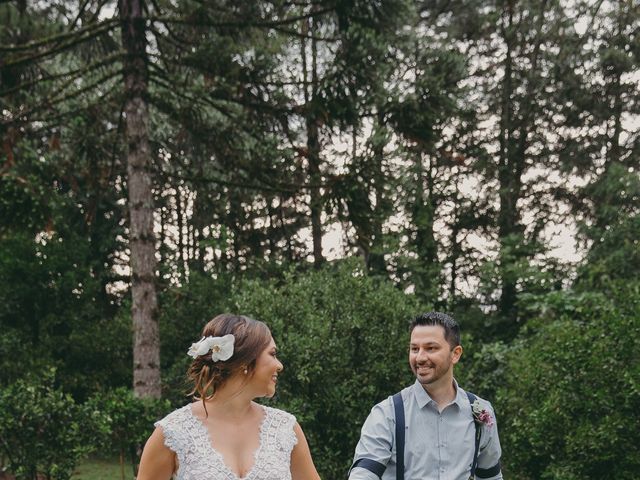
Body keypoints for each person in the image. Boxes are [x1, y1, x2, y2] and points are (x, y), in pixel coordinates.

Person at [137, 313, 322, 480]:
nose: (279, 365)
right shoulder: (173, 433)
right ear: (245, 362)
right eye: (272, 354)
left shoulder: (286, 429)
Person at [348, 312, 503, 480]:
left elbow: (491, 477)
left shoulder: (481, 412)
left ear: (455, 354)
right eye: (415, 349)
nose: (420, 357)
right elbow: (363, 475)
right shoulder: (387, 414)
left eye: (431, 348)